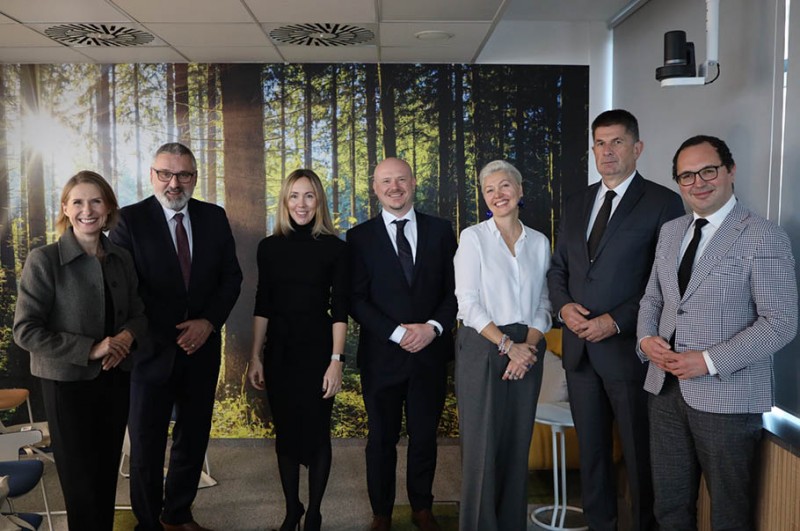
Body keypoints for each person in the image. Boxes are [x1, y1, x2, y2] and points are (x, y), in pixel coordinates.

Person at [637, 135, 797, 530]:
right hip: (665, 390)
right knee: (669, 508)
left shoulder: (763, 235)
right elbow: (652, 300)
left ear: (730, 171)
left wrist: (708, 361)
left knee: (728, 514)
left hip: (728, 399)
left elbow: (780, 322)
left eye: (708, 170)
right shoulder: (672, 231)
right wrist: (645, 341)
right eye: (686, 175)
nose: (698, 182)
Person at [547, 109, 684, 531]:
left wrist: (617, 321)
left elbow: (664, 282)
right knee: (592, 456)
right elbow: (558, 269)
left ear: (637, 147)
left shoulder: (663, 202)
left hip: (629, 354)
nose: (607, 152)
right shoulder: (577, 202)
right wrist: (564, 307)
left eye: (617, 142)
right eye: (600, 144)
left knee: (641, 457)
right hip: (581, 353)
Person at [110, 143, 242, 531]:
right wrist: (174, 332)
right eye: (165, 173)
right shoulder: (128, 221)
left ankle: (178, 515)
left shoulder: (214, 217)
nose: (174, 182)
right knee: (147, 447)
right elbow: (127, 289)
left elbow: (231, 278)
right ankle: (148, 523)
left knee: (193, 437)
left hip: (202, 350)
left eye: (183, 174)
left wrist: (207, 323)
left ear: (194, 178)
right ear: (151, 175)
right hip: (150, 352)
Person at [13, 170, 147, 530]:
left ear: (108, 209)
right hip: (67, 385)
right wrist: (92, 349)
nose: (87, 210)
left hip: (115, 379)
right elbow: (25, 331)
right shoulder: (44, 260)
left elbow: (138, 313)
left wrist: (124, 339)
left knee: (105, 476)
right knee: (80, 482)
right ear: (65, 209)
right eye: (78, 202)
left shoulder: (120, 257)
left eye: (96, 201)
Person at [347, 157, 457, 531]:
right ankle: (381, 511)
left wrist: (432, 328)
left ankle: (422, 507)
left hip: (430, 353)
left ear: (413, 183)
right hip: (382, 357)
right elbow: (356, 299)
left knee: (425, 437)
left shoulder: (442, 231)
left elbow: (455, 292)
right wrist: (397, 333)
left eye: (401, 180)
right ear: (375, 189)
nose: (394, 187)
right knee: (381, 439)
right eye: (386, 182)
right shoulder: (359, 237)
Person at [246, 169, 348, 531]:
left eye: (308, 196)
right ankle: (293, 509)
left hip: (319, 352)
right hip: (280, 354)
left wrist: (336, 362)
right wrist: (256, 355)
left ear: (318, 201)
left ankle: (315, 512)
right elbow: (263, 304)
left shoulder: (336, 248)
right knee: (286, 433)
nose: (301, 204)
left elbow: (340, 310)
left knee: (317, 432)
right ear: (284, 202)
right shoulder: (269, 247)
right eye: (294, 196)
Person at [453, 160, 551, 530]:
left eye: (505, 186)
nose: (498, 195)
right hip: (483, 345)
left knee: (515, 445)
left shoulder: (540, 242)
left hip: (528, 348)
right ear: (484, 197)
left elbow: (545, 304)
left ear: (520, 190)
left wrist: (527, 348)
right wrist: (508, 345)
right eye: (490, 189)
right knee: (482, 449)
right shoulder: (473, 237)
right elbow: (468, 303)